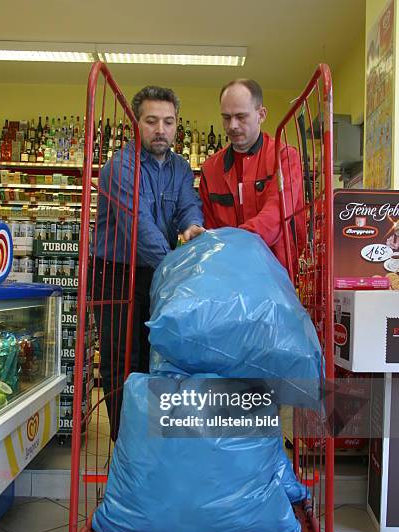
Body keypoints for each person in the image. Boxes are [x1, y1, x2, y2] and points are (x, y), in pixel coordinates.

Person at [92, 85, 204, 439]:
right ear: (136, 125)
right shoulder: (119, 168)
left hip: (156, 274)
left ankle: (148, 445)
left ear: (176, 126)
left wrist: (193, 228)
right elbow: (140, 229)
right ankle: (124, 448)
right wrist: (178, 268)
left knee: (155, 360)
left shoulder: (181, 168)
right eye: (151, 121)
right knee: (122, 361)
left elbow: (188, 206)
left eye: (168, 122)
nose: (160, 130)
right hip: (115, 273)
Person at [199, 78, 305, 272]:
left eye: (241, 116)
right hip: (228, 274)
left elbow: (275, 215)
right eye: (226, 117)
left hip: (277, 274)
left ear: (261, 114)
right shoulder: (210, 169)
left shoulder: (285, 158)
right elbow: (210, 229)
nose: (232, 125)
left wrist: (235, 242)